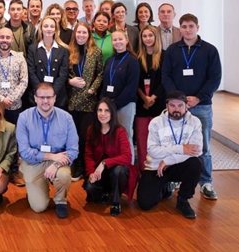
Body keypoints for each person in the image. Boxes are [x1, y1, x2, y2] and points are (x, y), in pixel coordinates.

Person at [162, 13, 221, 200]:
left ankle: (206, 182)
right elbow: (166, 76)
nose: (187, 30)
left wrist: (199, 98)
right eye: (184, 27)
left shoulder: (210, 50)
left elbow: (215, 78)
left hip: (201, 106)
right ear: (180, 28)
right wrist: (178, 100)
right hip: (177, 107)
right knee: (176, 143)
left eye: (191, 26)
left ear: (197, 27)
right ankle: (176, 178)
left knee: (202, 145)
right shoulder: (172, 50)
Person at [16, 83, 79, 218]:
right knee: (39, 207)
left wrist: (56, 164)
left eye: (49, 97)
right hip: (34, 162)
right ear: (35, 98)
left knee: (63, 175)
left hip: (58, 162)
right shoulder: (24, 118)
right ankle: (36, 188)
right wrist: (51, 156)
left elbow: (73, 150)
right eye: (42, 97)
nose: (45, 101)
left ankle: (60, 201)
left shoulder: (66, 118)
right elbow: (25, 152)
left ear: (55, 98)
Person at [137, 91, 203, 219]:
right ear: (166, 106)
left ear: (186, 106)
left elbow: (197, 150)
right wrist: (181, 148)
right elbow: (152, 151)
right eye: (172, 105)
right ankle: (165, 187)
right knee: (145, 204)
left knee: (196, 163)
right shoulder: (156, 122)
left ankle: (183, 200)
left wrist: (169, 160)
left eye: (180, 106)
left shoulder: (195, 122)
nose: (176, 109)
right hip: (157, 167)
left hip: (177, 165)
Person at [67, 22, 103, 180]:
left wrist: (92, 89)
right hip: (73, 101)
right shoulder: (69, 51)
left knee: (85, 137)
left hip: (88, 101)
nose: (81, 35)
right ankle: (75, 165)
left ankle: (84, 166)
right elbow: (65, 72)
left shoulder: (96, 52)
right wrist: (70, 81)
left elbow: (101, 73)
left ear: (89, 34)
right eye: (78, 32)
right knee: (72, 136)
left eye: (84, 33)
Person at [83, 98, 132, 216]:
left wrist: (104, 163)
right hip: (99, 173)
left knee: (119, 171)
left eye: (107, 110)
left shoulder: (120, 131)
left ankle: (116, 202)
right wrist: (91, 173)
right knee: (90, 188)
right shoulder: (91, 129)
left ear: (112, 113)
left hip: (115, 171)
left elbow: (127, 157)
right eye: (100, 110)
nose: (102, 114)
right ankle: (105, 194)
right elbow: (88, 155)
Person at [102, 30, 140, 163]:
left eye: (120, 39)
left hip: (125, 105)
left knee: (125, 135)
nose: (117, 42)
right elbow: (105, 82)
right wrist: (104, 103)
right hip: (108, 105)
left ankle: (128, 166)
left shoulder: (132, 61)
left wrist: (115, 104)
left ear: (126, 41)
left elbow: (131, 87)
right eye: (114, 40)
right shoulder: (110, 60)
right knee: (109, 137)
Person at [135, 25, 166, 171]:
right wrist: (144, 98)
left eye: (150, 36)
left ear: (156, 37)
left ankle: (158, 169)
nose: (147, 39)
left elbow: (165, 80)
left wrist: (153, 97)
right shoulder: (137, 57)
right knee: (142, 139)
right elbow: (135, 82)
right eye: (145, 36)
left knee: (159, 139)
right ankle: (143, 170)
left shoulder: (164, 56)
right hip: (141, 105)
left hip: (159, 103)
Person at [0, 27, 28, 125]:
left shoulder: (20, 58)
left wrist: (11, 99)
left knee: (14, 135)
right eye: (2, 37)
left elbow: (24, 81)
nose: (4, 40)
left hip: (15, 106)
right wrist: (1, 99)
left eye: (8, 37)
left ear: (12, 39)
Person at [27, 16, 70, 109]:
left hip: (58, 96)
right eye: (46, 26)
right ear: (41, 29)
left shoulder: (63, 50)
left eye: (52, 26)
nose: (49, 29)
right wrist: (41, 92)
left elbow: (63, 74)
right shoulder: (33, 49)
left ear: (56, 30)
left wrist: (52, 92)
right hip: (38, 96)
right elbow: (31, 72)